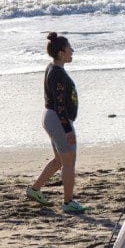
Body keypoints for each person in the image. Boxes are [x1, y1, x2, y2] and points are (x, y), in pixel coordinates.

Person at [26, 32, 88, 213]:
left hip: (51, 117)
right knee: (69, 161)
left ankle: (34, 189)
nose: (72, 51)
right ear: (61, 53)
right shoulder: (58, 74)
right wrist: (68, 129)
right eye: (69, 48)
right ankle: (68, 202)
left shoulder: (52, 67)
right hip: (57, 119)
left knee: (60, 160)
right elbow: (60, 105)